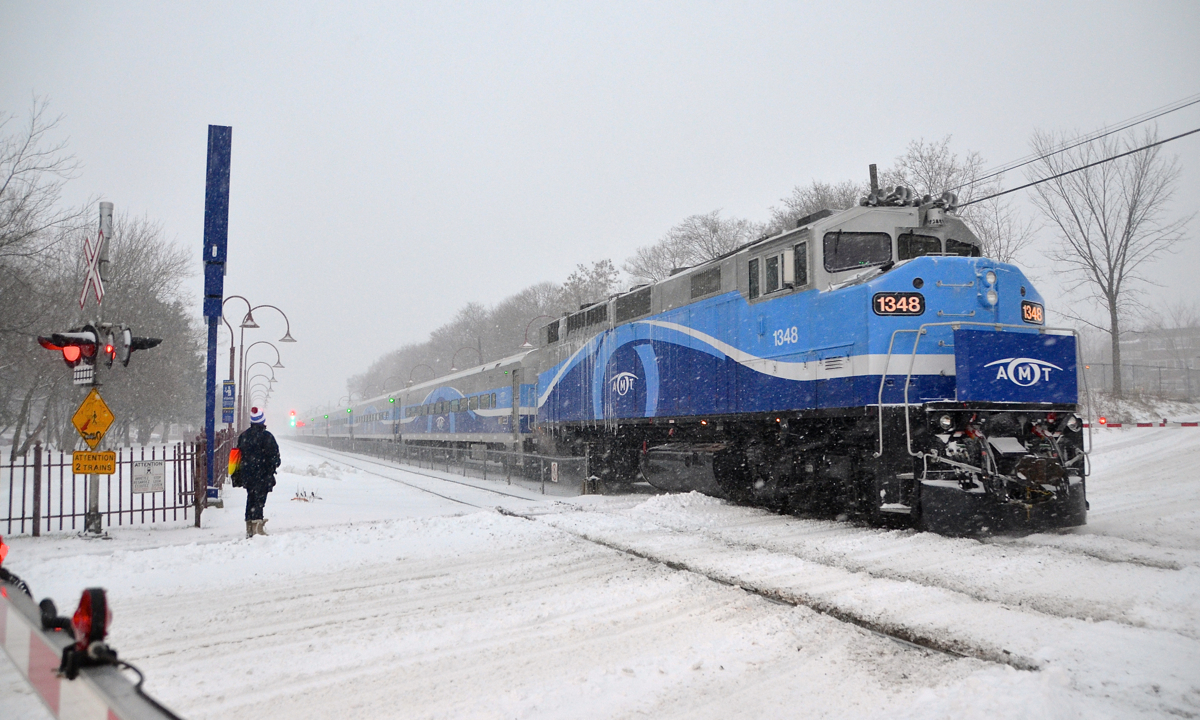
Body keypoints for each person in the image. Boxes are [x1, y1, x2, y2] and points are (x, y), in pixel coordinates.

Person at [233, 406, 280, 538]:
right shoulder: (267, 437)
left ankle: (249, 526)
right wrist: (271, 467)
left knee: (251, 498)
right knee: (260, 501)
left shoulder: (244, 436)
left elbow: (238, 456)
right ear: (262, 421)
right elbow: (275, 458)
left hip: (247, 475)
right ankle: (257, 528)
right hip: (263, 475)